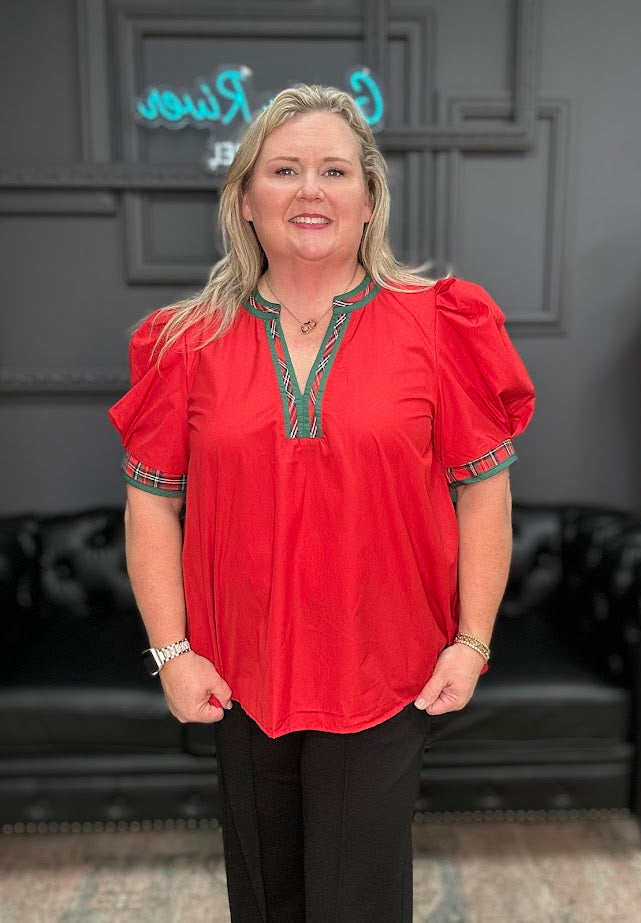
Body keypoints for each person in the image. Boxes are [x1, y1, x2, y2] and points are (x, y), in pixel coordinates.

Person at [108, 84, 536, 922]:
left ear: (369, 200)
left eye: (335, 170)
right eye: (285, 169)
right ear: (245, 198)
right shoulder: (184, 339)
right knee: (265, 899)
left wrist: (472, 640)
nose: (311, 190)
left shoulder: (439, 324)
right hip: (236, 677)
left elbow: (483, 491)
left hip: (386, 672)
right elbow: (150, 504)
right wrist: (172, 653)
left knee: (359, 903)